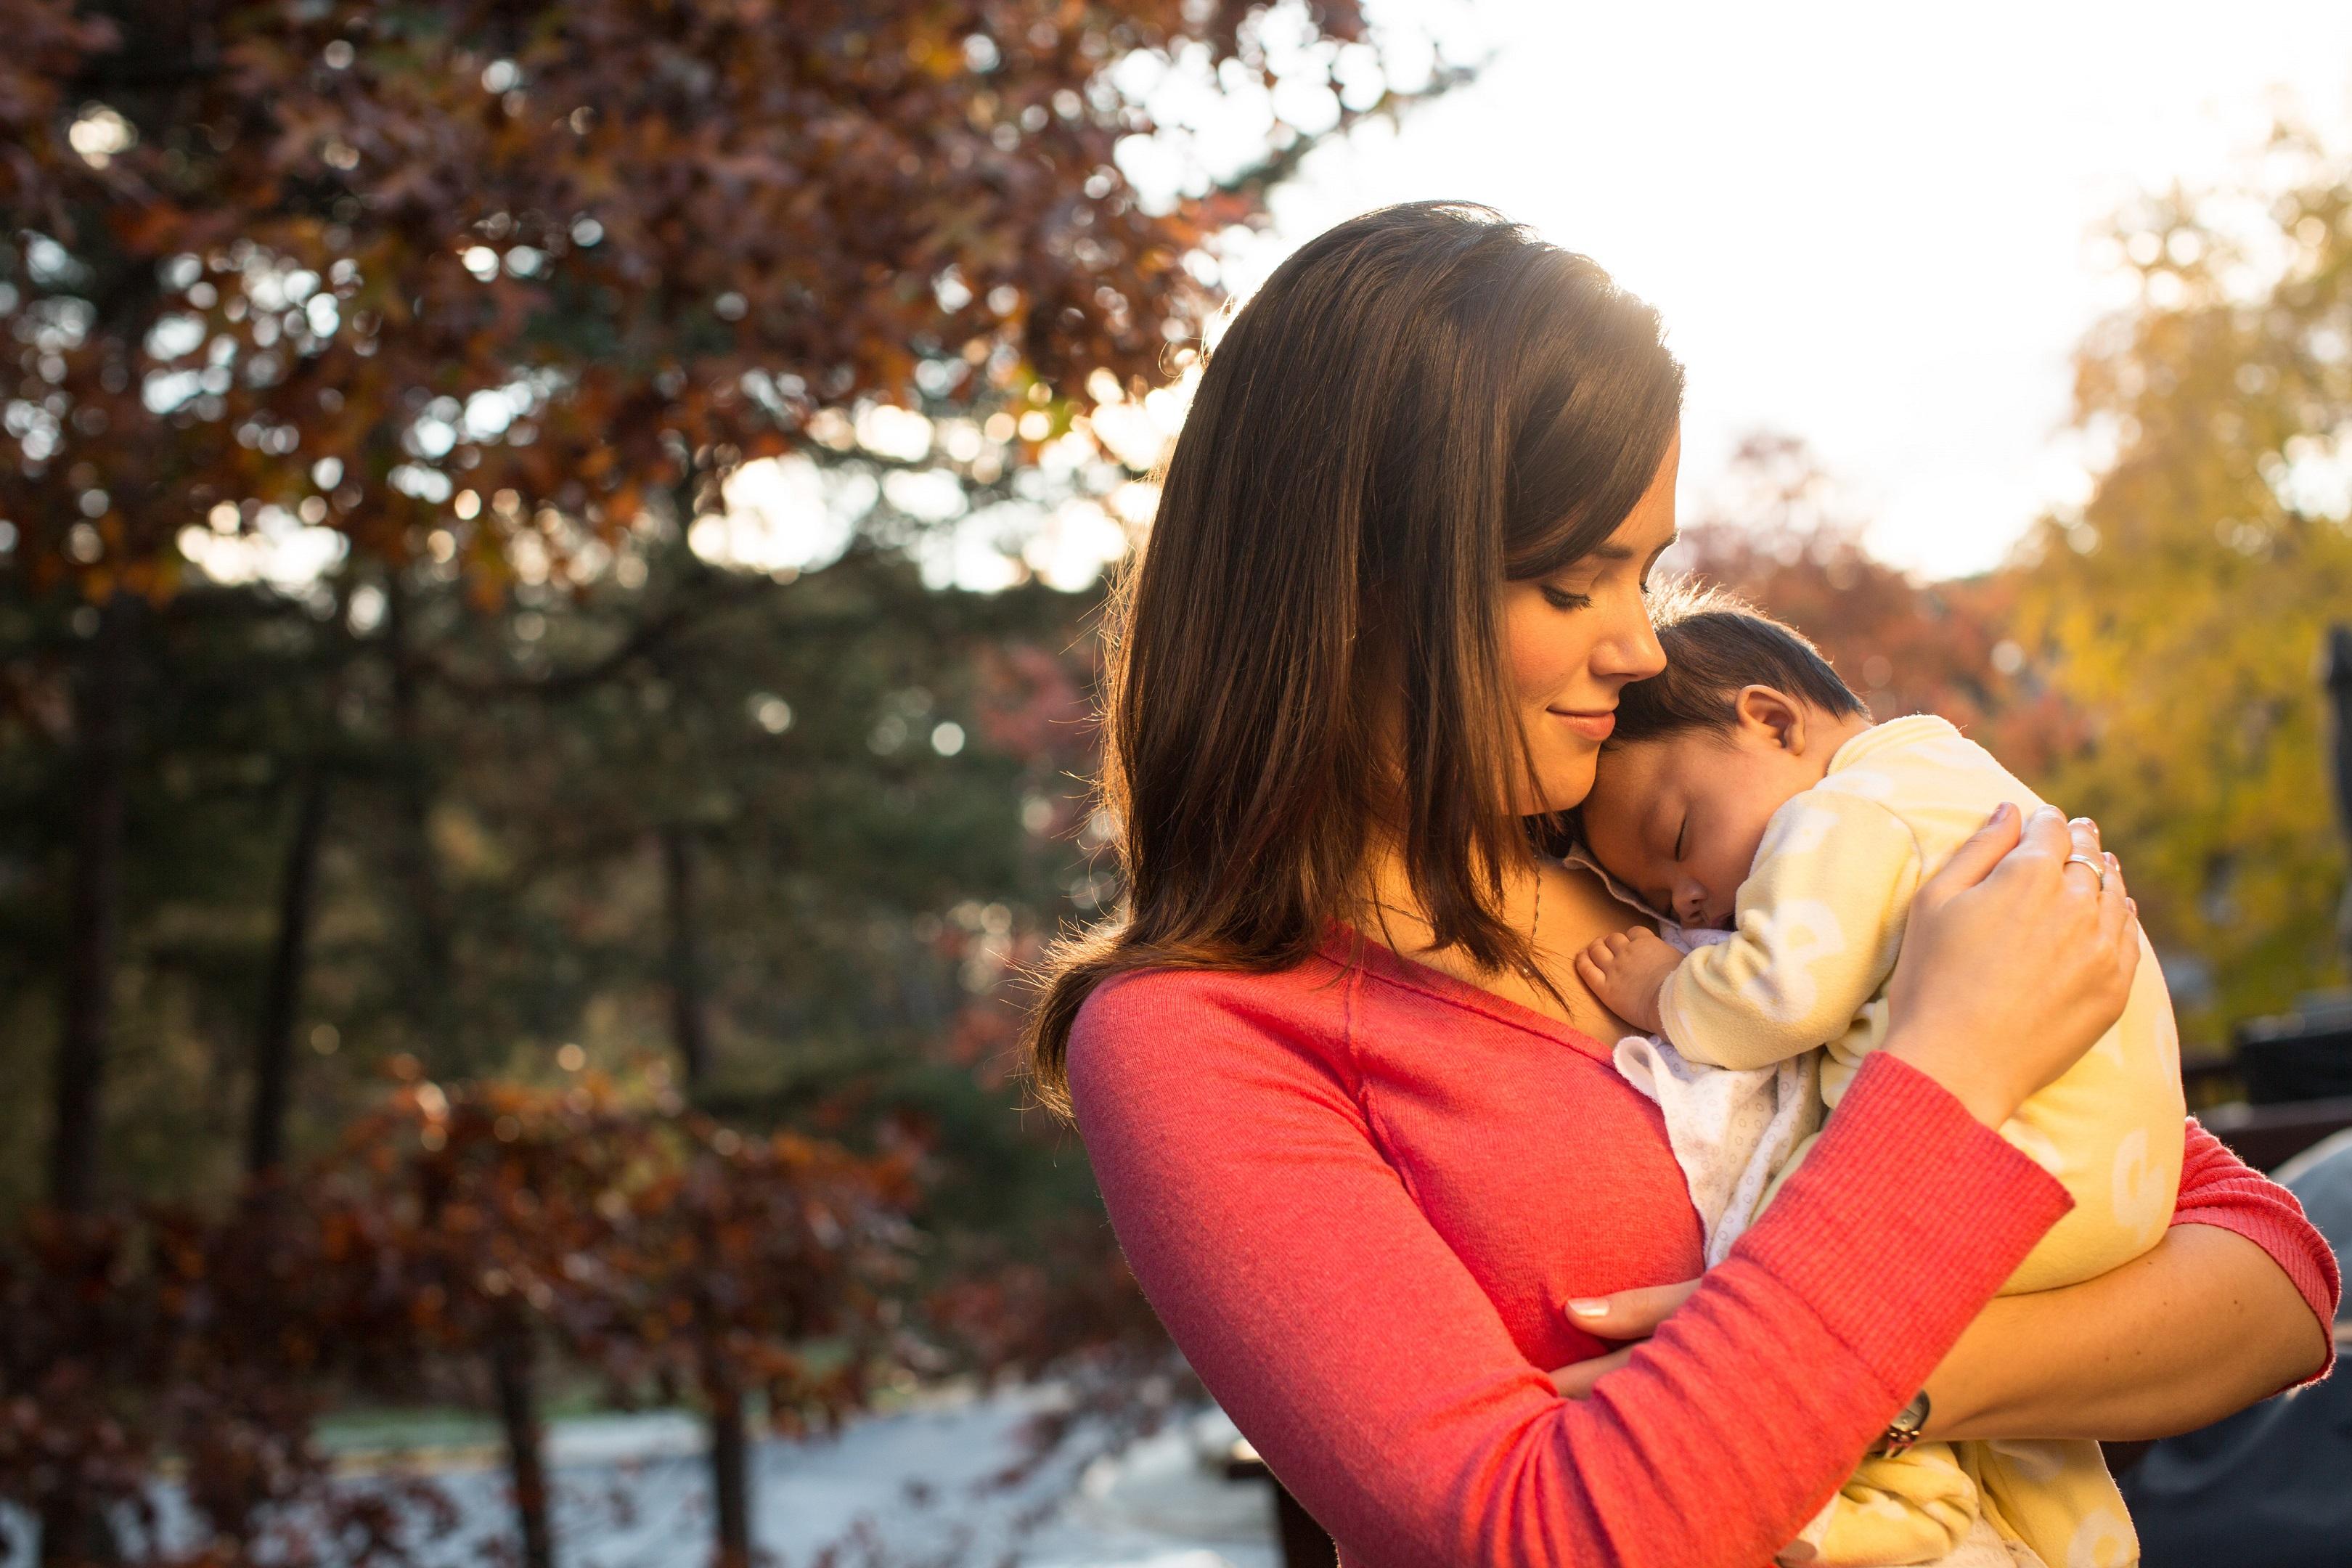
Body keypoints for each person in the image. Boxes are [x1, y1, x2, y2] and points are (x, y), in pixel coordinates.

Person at [1021, 202, 2339, 1568]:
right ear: (1356, 591)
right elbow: (1544, 1539)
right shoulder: (1204, 1038)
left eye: (1641, 572)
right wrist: (1947, 1073)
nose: (1642, 648)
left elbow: (2268, 1280)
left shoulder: (1698, 888)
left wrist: (1854, 1390)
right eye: (1570, 582)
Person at [1574, 592, 2188, 1568]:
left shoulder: (1841, 810)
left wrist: (1667, 989)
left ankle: (1894, 1500)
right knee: (2015, 1414)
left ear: (1771, 721)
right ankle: (2085, 1541)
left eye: (1679, 838)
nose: (1686, 899)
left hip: (2006, 1167)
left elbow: (1786, 996)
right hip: (2119, 1180)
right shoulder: (1956, 775)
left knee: (1791, 1229)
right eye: (1653, 900)